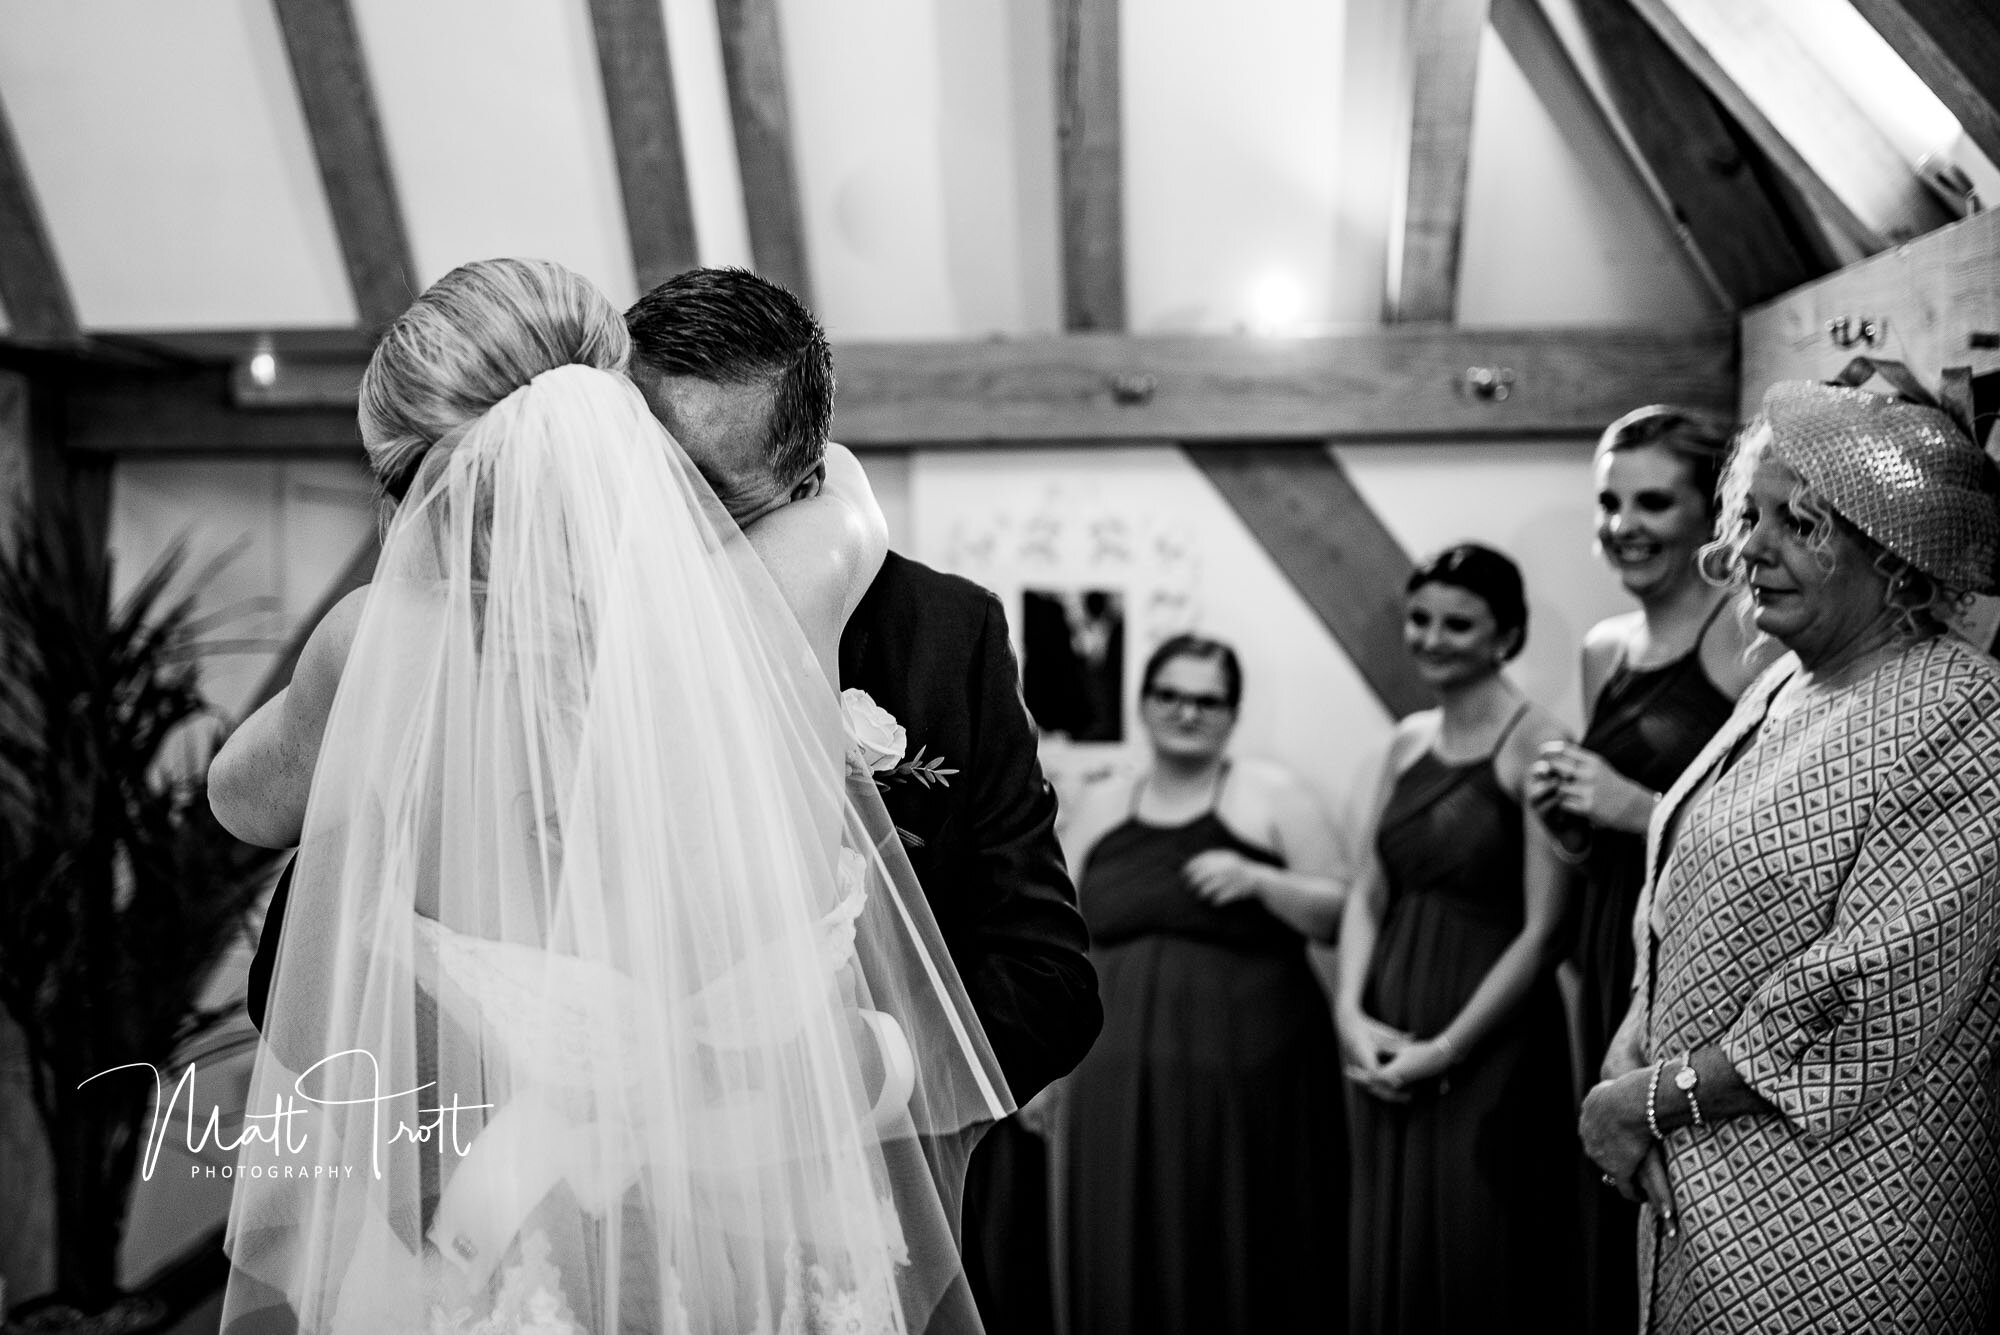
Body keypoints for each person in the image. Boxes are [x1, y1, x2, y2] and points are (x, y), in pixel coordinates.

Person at [211, 258, 1010, 1333]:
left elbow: (241, 802)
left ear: (412, 482)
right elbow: (846, 498)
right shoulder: (776, 602)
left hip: (495, 1239)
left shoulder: (378, 647)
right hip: (766, 1243)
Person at [622, 267, 1100, 1331]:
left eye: (708, 490)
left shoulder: (940, 633)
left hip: (843, 1238)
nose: (663, 521)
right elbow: (312, 952)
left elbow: (1048, 980)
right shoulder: (533, 616)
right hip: (602, 1229)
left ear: (802, 479)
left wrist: (859, 1074)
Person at [1579, 369, 2000, 1334]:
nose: (1747, 549)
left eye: (1800, 524)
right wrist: (1637, 1032)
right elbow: (1688, 885)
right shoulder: (1785, 685)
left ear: (1896, 553)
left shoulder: (1965, 714)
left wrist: (1649, 1098)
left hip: (1838, 1234)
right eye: (1750, 514)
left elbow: (1867, 996)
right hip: (1706, 1206)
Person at [1523, 406, 1776, 1333]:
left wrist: (1633, 804)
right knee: (1602, 1187)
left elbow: (1759, 826)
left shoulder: (1747, 640)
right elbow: (1602, 834)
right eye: (1609, 502)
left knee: (1678, 1193)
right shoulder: (1602, 649)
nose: (1623, 524)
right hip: (1606, 938)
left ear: (1710, 508)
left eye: (1653, 501)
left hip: (1695, 953)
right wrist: (1566, 813)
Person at [1057, 633, 1346, 1335]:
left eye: (1207, 700)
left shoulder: (1273, 794)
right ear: (1144, 702)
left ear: (1232, 712)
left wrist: (1261, 880)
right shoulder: (1098, 803)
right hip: (1113, 1078)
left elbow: (1341, 912)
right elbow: (1062, 937)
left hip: (1248, 1078)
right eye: (1171, 695)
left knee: (1242, 1238)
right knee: (1119, 1234)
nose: (1187, 712)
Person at [1339, 543, 1580, 1334]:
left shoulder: (1540, 744)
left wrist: (1446, 1049)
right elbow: (1370, 891)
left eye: (1458, 623)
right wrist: (1348, 1010)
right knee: (1393, 1237)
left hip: (1489, 1033)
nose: (1433, 638)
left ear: (1506, 634)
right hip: (1387, 1020)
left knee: (1479, 1239)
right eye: (1420, 618)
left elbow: (1546, 932)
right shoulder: (1405, 741)